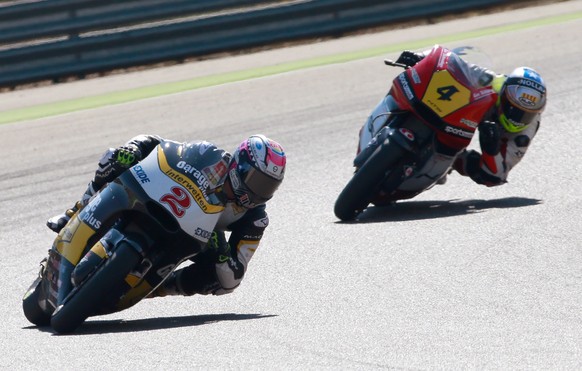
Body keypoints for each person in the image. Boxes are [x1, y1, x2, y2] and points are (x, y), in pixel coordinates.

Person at [47, 133, 286, 297]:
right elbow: (161, 145)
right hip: (163, 202)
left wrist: (221, 251)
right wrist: (133, 149)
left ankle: (160, 287)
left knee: (218, 282)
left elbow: (233, 278)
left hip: (196, 239)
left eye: (268, 186)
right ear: (240, 166)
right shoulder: (209, 155)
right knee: (117, 159)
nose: (259, 192)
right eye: (258, 181)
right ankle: (76, 211)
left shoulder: (255, 218)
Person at [369, 48, 547, 187]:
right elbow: (454, 62)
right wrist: (420, 57)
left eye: (525, 114)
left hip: (496, 137)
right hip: (466, 114)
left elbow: (498, 174)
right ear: (504, 95)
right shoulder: (494, 81)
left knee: (489, 176)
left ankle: (449, 162)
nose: (517, 117)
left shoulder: (525, 132)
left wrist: (491, 149)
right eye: (513, 109)